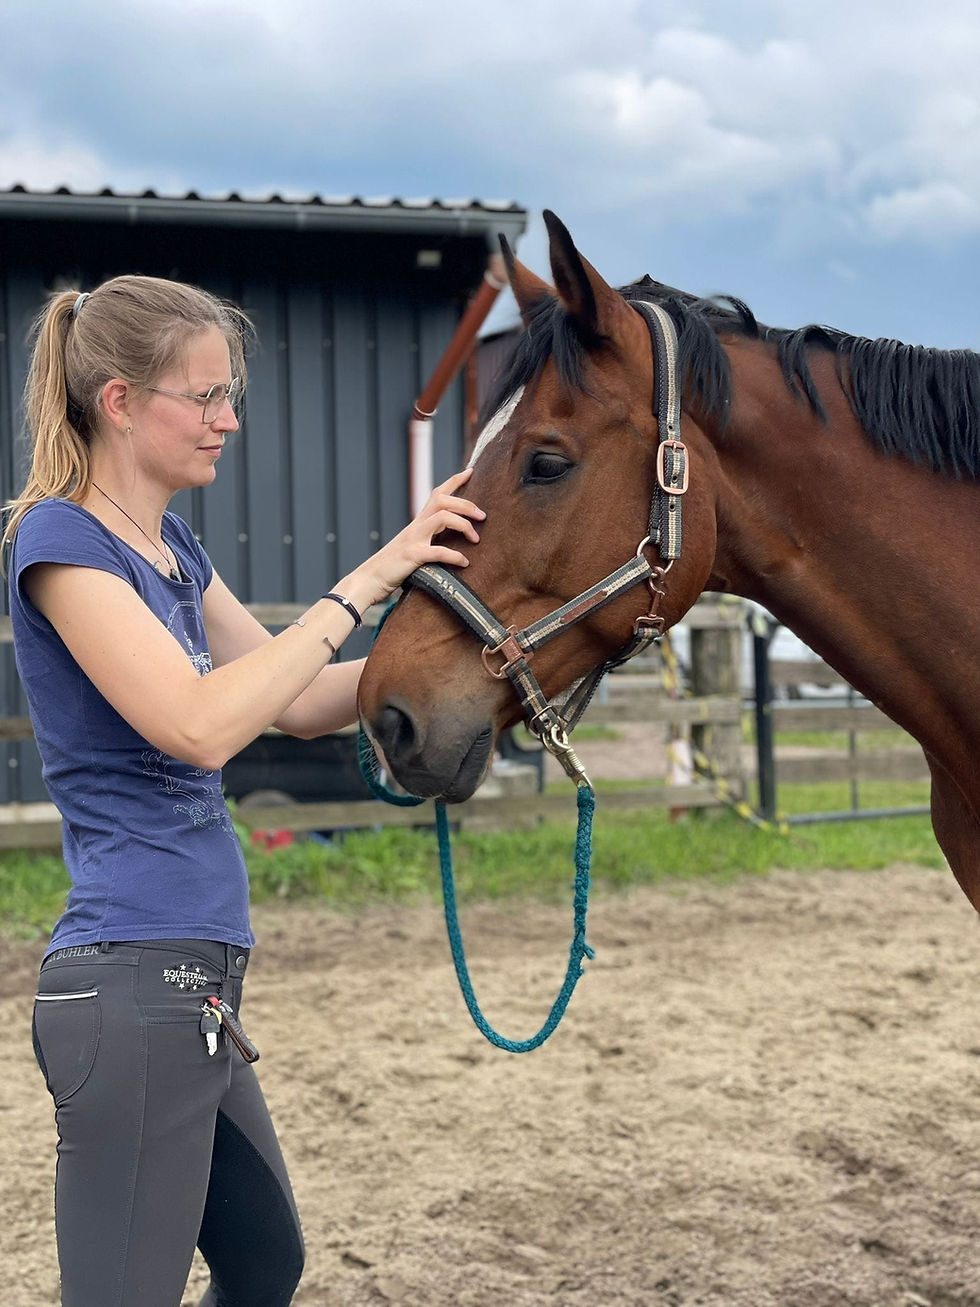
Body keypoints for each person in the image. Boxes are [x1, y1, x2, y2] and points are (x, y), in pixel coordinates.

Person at [4, 275, 485, 1307]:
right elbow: (198, 719)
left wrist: (475, 668)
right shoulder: (61, 543)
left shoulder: (171, 548)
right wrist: (366, 580)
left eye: (231, 394)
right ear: (122, 401)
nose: (230, 418)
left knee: (264, 1263)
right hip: (131, 983)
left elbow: (302, 697)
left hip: (198, 983)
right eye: (207, 395)